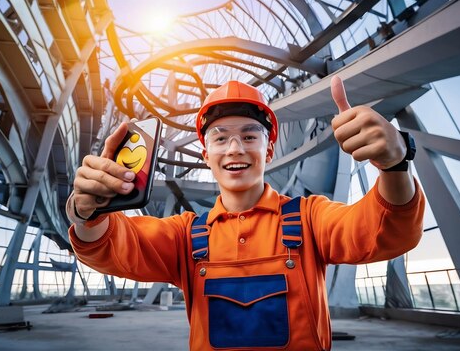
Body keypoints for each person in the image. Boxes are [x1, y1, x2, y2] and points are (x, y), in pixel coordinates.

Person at [66, 76, 425, 350]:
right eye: (220, 138)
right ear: (206, 155)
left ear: (269, 151)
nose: (235, 149)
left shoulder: (311, 218)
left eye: (250, 136)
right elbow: (114, 246)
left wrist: (395, 165)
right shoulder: (184, 236)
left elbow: (386, 231)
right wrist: (87, 212)